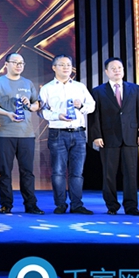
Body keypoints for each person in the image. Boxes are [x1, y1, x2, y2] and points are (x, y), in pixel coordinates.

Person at [0, 52, 43, 215]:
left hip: (26, 134)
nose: (19, 65)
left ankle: (31, 204)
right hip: (5, 133)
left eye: (21, 63)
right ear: (6, 64)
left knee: (27, 172)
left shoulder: (28, 83)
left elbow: (36, 104)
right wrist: (7, 113)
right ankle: (6, 204)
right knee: (5, 171)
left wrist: (29, 105)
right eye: (15, 62)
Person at [89, 57, 139, 216]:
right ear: (106, 71)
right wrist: (96, 136)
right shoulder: (98, 91)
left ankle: (131, 207)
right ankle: (112, 206)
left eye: (119, 68)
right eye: (113, 68)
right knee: (109, 174)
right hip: (108, 138)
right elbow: (94, 116)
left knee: (131, 173)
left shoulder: (134, 89)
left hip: (131, 137)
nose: (117, 71)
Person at [39, 55, 95, 215]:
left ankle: (77, 204)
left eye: (69, 65)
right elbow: (42, 111)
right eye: (62, 65)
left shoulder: (79, 87)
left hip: (78, 133)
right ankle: (60, 204)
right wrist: (57, 115)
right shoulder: (47, 88)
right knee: (58, 171)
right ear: (54, 67)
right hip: (58, 133)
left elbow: (92, 105)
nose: (66, 68)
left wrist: (81, 106)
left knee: (77, 172)